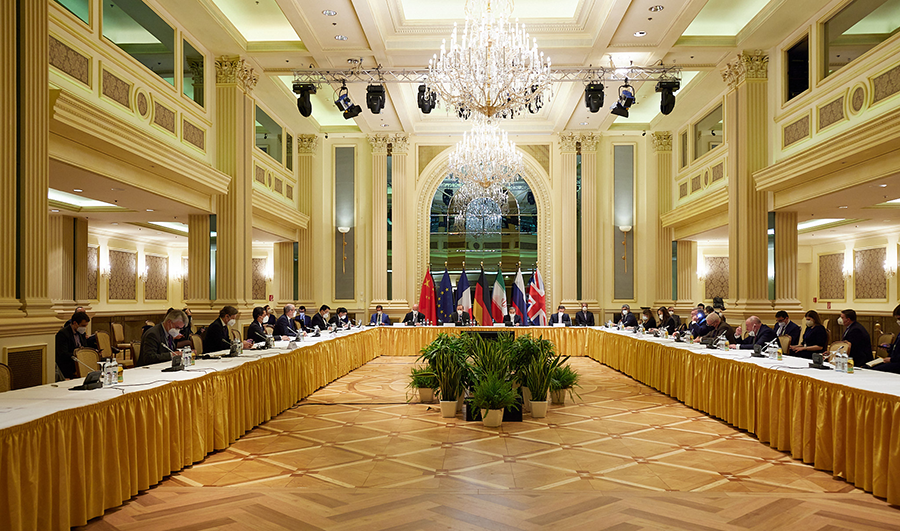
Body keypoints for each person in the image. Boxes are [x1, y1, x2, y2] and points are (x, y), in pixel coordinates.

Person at [55, 310, 98, 379]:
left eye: (86, 326)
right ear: (75, 323)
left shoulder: (81, 333)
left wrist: (95, 351)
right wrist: (78, 355)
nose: (84, 328)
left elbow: (85, 346)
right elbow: (63, 353)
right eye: (83, 325)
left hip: (81, 361)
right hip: (69, 364)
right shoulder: (63, 334)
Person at [871, 304, 900, 373]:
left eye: (899, 319)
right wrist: (890, 347)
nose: (898, 321)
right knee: (869, 367)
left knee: (875, 371)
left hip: (897, 363)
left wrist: (891, 359)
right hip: (894, 360)